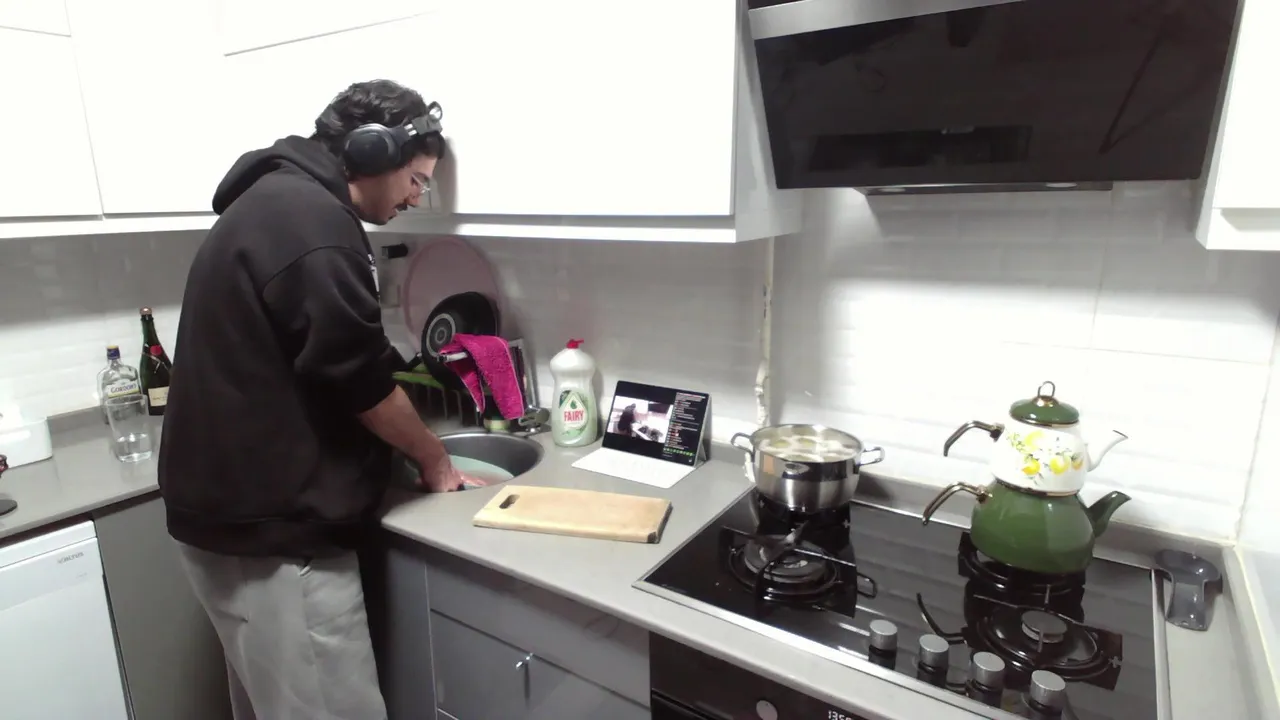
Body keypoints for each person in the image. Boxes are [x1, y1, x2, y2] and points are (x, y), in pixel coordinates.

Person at [157, 79, 478, 720]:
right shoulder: (315, 223)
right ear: (373, 152)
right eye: (417, 179)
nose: (417, 198)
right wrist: (433, 458)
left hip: (224, 519)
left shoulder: (273, 199)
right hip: (276, 537)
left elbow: (330, 349)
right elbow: (358, 378)